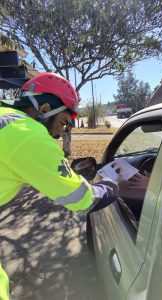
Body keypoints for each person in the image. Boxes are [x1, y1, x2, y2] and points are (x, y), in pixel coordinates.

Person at [0, 72, 118, 300]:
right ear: (44, 109)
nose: (58, 134)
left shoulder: (6, 117)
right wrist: (112, 185)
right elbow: (83, 201)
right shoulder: (28, 133)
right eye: (63, 122)